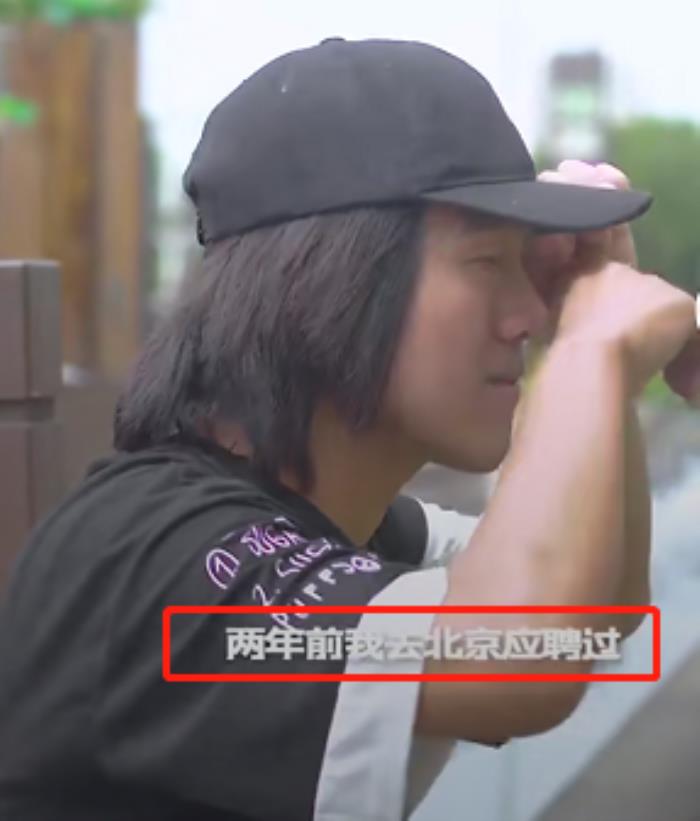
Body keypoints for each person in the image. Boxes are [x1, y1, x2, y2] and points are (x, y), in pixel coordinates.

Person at [0, 37, 697, 821]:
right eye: (488, 263)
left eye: (532, 272)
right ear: (333, 279)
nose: (532, 314)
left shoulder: (349, 527)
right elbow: (515, 653)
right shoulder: (156, 558)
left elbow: (591, 617)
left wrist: (594, 339)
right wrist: (590, 351)